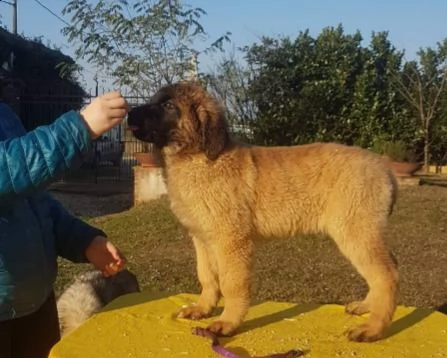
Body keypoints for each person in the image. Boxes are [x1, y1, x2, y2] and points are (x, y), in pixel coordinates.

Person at [0, 80, 130, 358]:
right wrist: (78, 129)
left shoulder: (5, 114)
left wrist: (82, 239)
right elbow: (8, 169)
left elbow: (32, 198)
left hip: (34, 305)